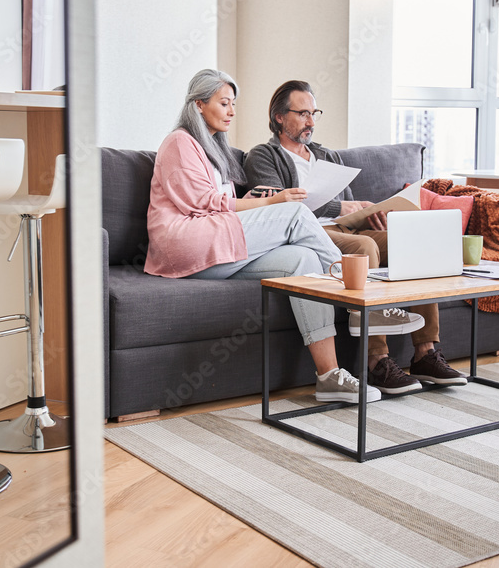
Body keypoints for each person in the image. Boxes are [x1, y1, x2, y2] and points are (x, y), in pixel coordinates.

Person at [145, 69, 382, 404]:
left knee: (306, 260)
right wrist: (271, 202)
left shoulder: (213, 147)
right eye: (223, 103)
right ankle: (361, 299)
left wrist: (257, 199)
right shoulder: (180, 142)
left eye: (233, 104)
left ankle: (328, 375)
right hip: (185, 245)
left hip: (214, 249)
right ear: (198, 105)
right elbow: (202, 203)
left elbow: (220, 201)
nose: (231, 111)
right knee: (296, 213)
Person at [244, 80, 468, 394]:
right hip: (312, 234)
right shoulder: (264, 156)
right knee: (364, 247)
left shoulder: (327, 155)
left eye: (314, 113)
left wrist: (369, 212)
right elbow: (280, 208)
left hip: (349, 227)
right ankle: (378, 362)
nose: (310, 122)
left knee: (415, 245)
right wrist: (340, 206)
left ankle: (425, 353)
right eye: (302, 113)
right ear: (279, 116)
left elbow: (348, 203)